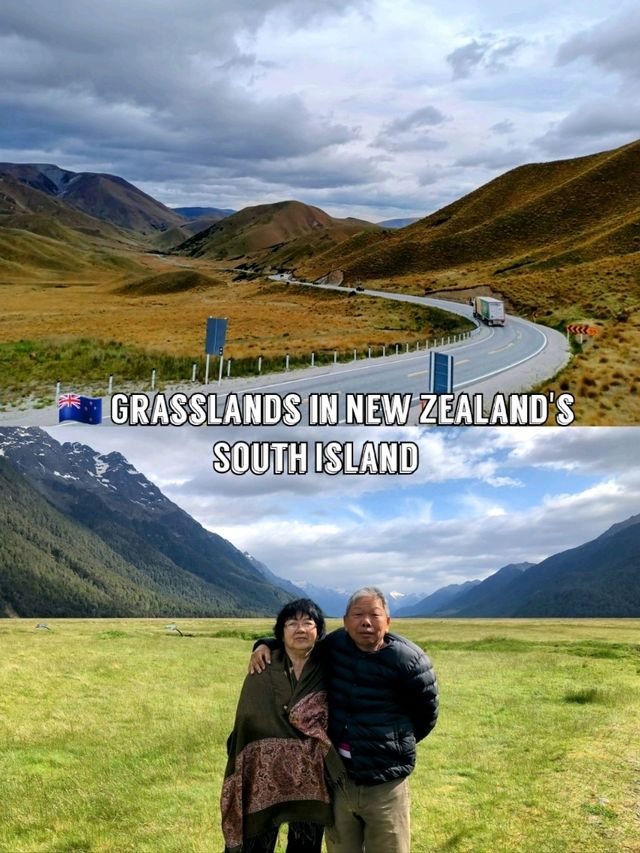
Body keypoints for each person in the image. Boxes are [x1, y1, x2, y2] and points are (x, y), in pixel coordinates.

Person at [250, 586, 439, 853]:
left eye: (374, 615)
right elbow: (299, 642)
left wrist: (392, 743)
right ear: (345, 621)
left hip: (385, 786)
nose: (366, 622)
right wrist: (263, 644)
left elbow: (426, 715)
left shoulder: (410, 661)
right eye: (357, 614)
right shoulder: (335, 646)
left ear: (388, 620)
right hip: (340, 783)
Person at [221, 598, 345, 853]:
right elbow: (247, 721)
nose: (300, 629)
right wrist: (263, 644)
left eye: (307, 623)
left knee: (306, 846)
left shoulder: (330, 665)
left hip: (312, 777)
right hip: (263, 776)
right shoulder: (263, 667)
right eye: (291, 623)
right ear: (281, 632)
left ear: (319, 631)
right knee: (256, 842)